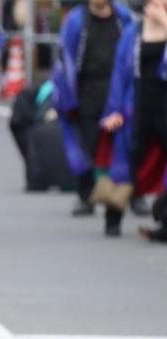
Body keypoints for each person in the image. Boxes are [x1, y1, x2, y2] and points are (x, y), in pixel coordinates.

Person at [52, 0, 133, 220]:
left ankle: (132, 195)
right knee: (86, 146)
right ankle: (86, 195)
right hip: (86, 90)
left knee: (124, 145)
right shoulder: (76, 19)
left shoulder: (122, 18)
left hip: (117, 89)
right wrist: (66, 96)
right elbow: (65, 57)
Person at [96, 0, 167, 239]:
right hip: (136, 106)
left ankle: (164, 221)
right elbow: (119, 73)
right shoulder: (132, 33)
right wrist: (113, 110)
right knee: (125, 160)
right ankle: (113, 215)